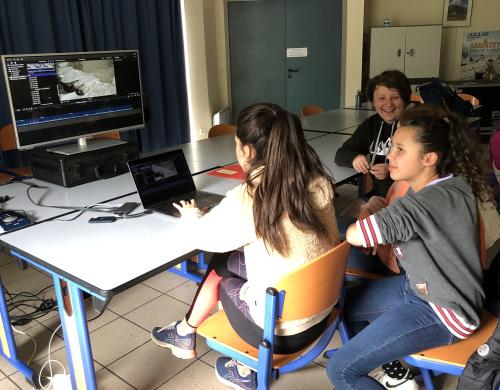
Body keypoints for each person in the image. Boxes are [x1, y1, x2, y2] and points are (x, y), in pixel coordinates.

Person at [150, 103, 340, 389]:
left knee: (220, 271)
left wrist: (193, 216)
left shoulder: (252, 196)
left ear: (247, 151)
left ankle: (237, 365)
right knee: (227, 260)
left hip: (281, 331)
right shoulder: (317, 179)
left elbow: (204, 239)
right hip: (324, 308)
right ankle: (184, 331)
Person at [327, 105, 493, 390]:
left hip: (445, 311)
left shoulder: (423, 203)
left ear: (429, 158)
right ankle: (390, 371)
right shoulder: (451, 184)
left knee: (339, 369)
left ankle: (361, 366)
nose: (390, 155)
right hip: (419, 287)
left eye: (400, 149)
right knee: (344, 307)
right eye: (392, 147)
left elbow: (357, 234)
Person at [335, 70, 412, 197]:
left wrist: (392, 168)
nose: (388, 104)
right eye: (381, 98)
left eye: (395, 98)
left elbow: (427, 165)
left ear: (405, 99)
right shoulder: (370, 125)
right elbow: (341, 154)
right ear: (373, 102)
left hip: (408, 196)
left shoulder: (415, 125)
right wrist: (355, 158)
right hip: (378, 195)